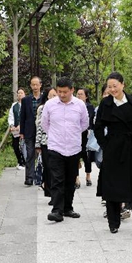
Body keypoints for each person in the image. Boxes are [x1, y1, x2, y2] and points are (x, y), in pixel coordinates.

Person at [94, 72, 132, 234]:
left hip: (131, 149)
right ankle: (113, 223)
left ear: (123, 85)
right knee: (112, 186)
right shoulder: (105, 103)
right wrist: (105, 144)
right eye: (109, 87)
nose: (112, 89)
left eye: (115, 86)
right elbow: (98, 127)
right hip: (113, 149)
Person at [41, 77, 89, 222]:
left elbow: (84, 124)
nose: (62, 95)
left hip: (74, 148)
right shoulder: (50, 105)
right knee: (57, 179)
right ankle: (57, 210)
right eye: (59, 92)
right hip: (56, 147)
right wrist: (56, 135)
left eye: (65, 92)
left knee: (70, 179)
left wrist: (72, 134)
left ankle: (68, 208)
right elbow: (45, 124)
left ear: (72, 90)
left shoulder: (80, 105)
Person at [20, 76, 43, 186]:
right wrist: (22, 132)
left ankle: (41, 176)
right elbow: (22, 116)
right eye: (33, 84)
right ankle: (29, 177)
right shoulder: (26, 100)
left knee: (42, 154)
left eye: (36, 84)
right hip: (29, 130)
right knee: (30, 154)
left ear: (40, 85)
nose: (35, 87)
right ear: (30, 86)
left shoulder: (44, 99)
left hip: (41, 130)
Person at [35, 87, 57, 202]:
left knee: (56, 168)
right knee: (48, 167)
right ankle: (50, 192)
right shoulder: (42, 108)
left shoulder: (60, 107)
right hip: (45, 141)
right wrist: (37, 143)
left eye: (55, 95)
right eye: (52, 95)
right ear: (47, 96)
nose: (54, 97)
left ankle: (56, 193)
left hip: (57, 142)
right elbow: (39, 126)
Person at [76, 87, 96, 188]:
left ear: (86, 96)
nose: (79, 96)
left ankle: (88, 176)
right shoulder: (73, 106)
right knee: (75, 156)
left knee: (86, 156)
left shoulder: (90, 107)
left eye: (81, 94)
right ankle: (76, 178)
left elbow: (91, 120)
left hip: (86, 134)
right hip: (75, 134)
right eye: (78, 94)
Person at [8, 88, 26, 170]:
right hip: (15, 130)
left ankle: (24, 162)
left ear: (24, 94)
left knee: (24, 146)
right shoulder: (14, 105)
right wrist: (12, 125)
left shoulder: (26, 104)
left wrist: (21, 125)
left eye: (21, 93)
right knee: (15, 146)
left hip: (24, 129)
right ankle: (20, 161)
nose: (20, 94)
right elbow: (11, 116)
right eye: (18, 93)